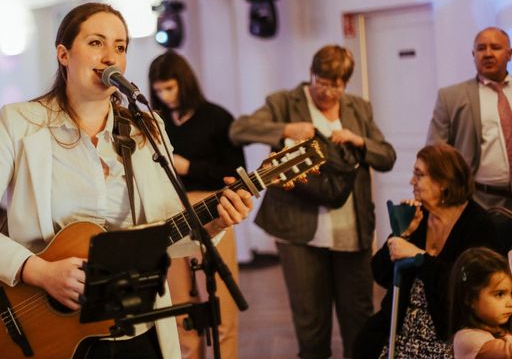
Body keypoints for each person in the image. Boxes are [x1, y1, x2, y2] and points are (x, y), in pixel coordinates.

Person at [0, 2, 253, 359]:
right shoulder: (19, 123)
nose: (111, 56)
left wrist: (214, 220)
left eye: (120, 46)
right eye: (96, 43)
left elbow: (162, 236)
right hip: (47, 334)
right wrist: (39, 271)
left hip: (139, 326)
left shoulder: (146, 130)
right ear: (63, 54)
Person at [229, 44, 397, 359]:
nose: (328, 92)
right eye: (322, 82)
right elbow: (239, 130)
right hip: (298, 229)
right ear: (311, 75)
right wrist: (287, 129)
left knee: (358, 314)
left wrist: (358, 141)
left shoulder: (358, 108)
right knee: (311, 320)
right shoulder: (284, 102)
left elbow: (387, 156)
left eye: (337, 85)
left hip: (352, 227)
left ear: (346, 83)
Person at [353, 143, 500, 359]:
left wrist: (419, 257)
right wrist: (402, 232)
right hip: (398, 327)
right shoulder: (419, 217)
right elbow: (380, 273)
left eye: (419, 175)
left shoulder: (478, 225)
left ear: (443, 182)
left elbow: (467, 288)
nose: (412, 181)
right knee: (365, 341)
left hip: (447, 333)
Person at [148, 50, 246, 359]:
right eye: (158, 90)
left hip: (214, 210)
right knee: (179, 305)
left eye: (170, 88)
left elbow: (234, 173)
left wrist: (189, 167)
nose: (164, 95)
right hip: (170, 212)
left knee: (222, 306)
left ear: (185, 83)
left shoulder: (217, 117)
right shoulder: (157, 121)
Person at [427, 27, 512, 209]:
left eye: (495, 47)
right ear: (473, 55)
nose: (487, 54)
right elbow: (435, 153)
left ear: (509, 54)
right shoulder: (451, 97)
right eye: (481, 49)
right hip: (477, 201)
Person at [449, 247, 512, 359]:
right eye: (500, 294)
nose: (510, 303)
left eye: (511, 294)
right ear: (469, 299)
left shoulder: (502, 331)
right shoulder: (467, 339)